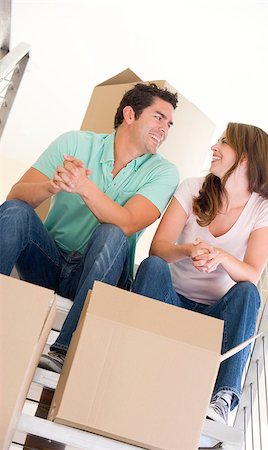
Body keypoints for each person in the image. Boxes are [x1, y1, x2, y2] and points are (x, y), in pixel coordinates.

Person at [0, 82, 179, 373]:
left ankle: (63, 351)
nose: (165, 129)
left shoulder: (164, 172)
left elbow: (128, 222)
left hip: (103, 274)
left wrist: (83, 187)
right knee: (15, 212)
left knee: (112, 232)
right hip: (51, 260)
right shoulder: (75, 143)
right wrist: (52, 185)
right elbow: (16, 196)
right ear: (130, 114)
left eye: (169, 123)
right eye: (158, 117)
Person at [131, 122, 268, 425]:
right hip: (171, 300)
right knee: (153, 267)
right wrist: (187, 251)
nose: (214, 148)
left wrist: (221, 257)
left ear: (245, 158)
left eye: (223, 143)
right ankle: (130, 359)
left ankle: (223, 398)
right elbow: (158, 248)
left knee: (248, 292)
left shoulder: (265, 208)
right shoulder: (192, 187)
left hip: (216, 316)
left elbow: (251, 273)